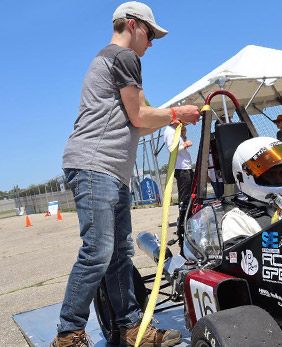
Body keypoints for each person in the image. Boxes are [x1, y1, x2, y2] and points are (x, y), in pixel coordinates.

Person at [54, 2, 200, 347]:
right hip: (96, 165)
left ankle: (133, 328)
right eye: (150, 34)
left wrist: (170, 117)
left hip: (108, 170)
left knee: (119, 253)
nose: (151, 42)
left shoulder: (114, 61)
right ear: (133, 25)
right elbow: (140, 117)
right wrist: (177, 112)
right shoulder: (124, 58)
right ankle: (67, 333)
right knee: (99, 250)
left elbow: (143, 119)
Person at [164, 122, 193, 256]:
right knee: (185, 199)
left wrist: (184, 136)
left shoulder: (176, 131)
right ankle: (182, 227)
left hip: (186, 167)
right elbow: (172, 149)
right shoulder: (170, 130)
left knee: (190, 197)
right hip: (181, 169)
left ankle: (187, 222)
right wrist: (186, 144)